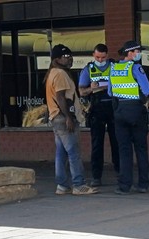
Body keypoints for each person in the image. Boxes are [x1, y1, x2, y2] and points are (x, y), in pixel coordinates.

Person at [45, 44, 98, 195]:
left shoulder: (53, 73)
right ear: (57, 59)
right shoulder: (60, 74)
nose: (70, 59)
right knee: (73, 152)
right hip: (64, 118)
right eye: (66, 57)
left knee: (61, 153)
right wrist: (69, 117)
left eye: (70, 56)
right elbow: (61, 97)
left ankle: (62, 185)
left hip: (56, 117)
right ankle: (78, 184)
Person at [108, 40, 149, 195]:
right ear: (130, 53)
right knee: (140, 149)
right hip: (136, 111)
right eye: (137, 51)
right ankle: (143, 184)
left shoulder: (113, 68)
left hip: (119, 111)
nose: (139, 54)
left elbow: (110, 92)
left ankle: (124, 185)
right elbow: (147, 89)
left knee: (124, 150)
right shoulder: (136, 67)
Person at [78, 43, 119, 187]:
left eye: (103, 57)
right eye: (97, 57)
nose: (100, 60)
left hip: (114, 107)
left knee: (117, 143)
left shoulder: (115, 66)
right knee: (97, 144)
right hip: (97, 108)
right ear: (93, 55)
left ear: (107, 55)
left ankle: (121, 174)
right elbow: (81, 92)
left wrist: (103, 86)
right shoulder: (88, 69)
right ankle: (96, 177)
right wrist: (91, 88)